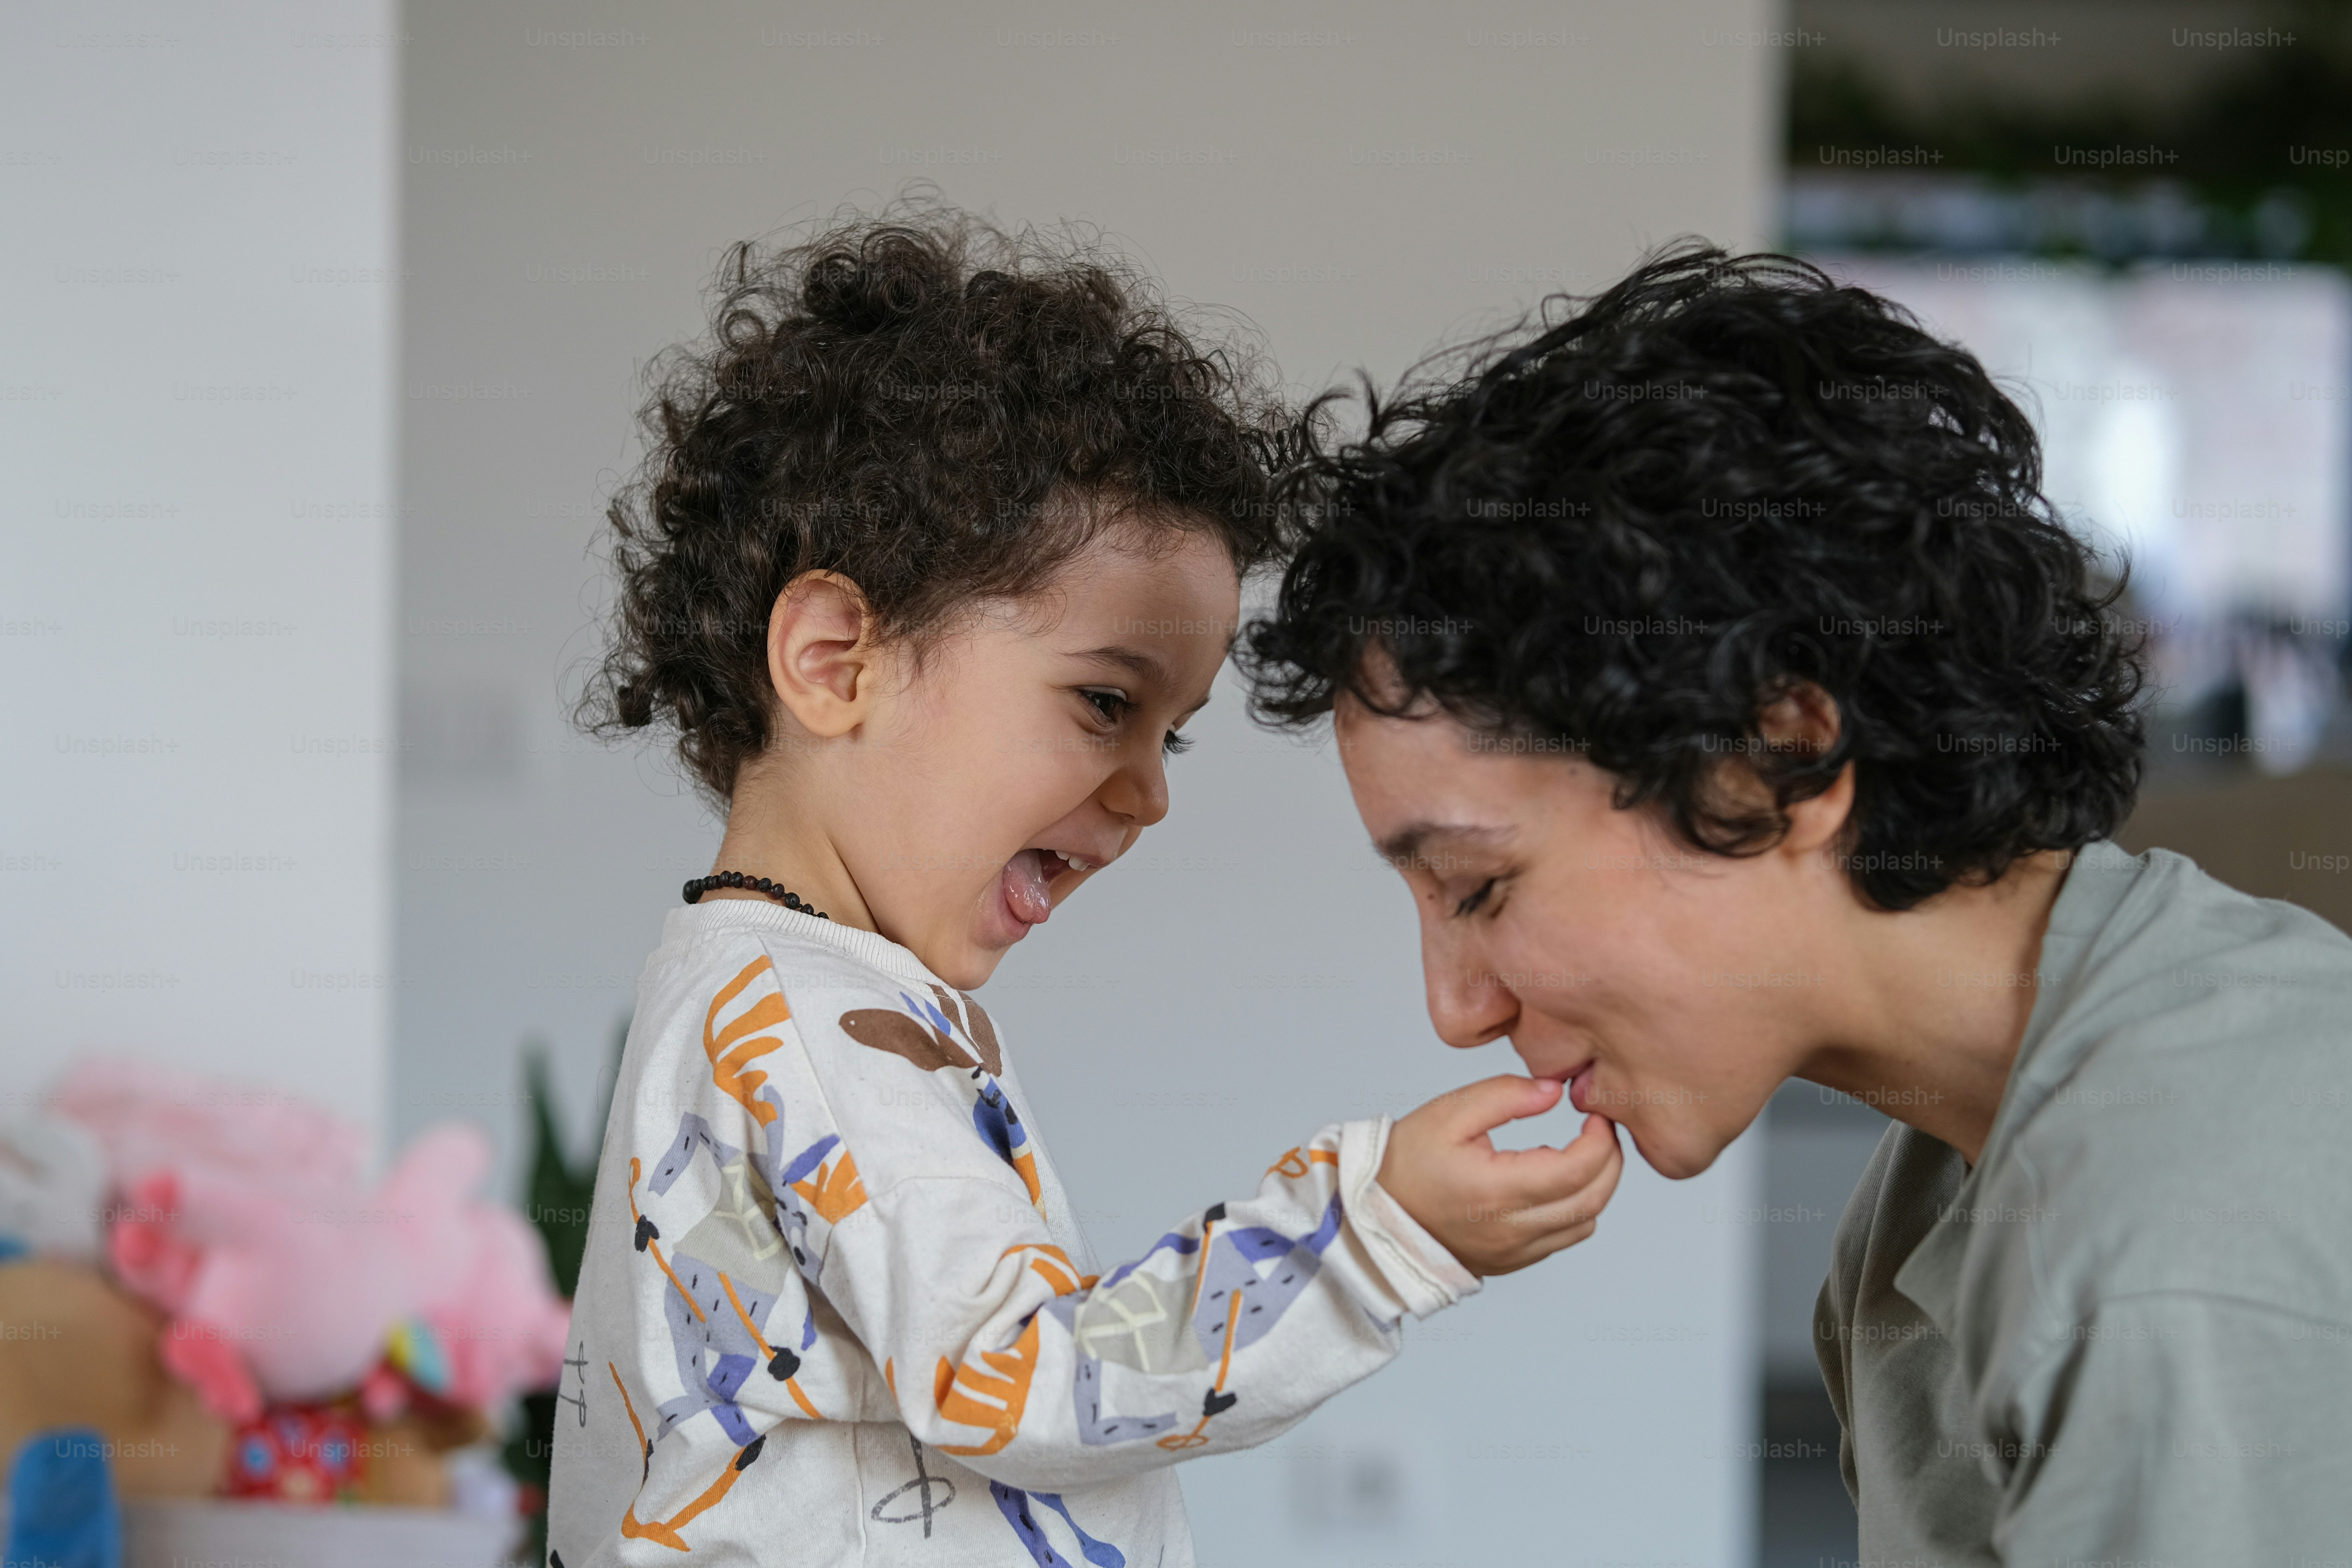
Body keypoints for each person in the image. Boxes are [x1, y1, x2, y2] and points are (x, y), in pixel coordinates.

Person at [546, 203, 1625, 1568]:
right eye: (1104, 702)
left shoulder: (748, 987)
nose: (1150, 791)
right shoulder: (805, 1028)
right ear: (834, 659)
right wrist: (1366, 1235)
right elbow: (1014, 1377)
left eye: (1167, 734)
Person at [1245, 243, 2352, 1563]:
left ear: (1775, 758)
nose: (1457, 1010)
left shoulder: (2177, 1243)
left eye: (1479, 888)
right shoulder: (1934, 1195)